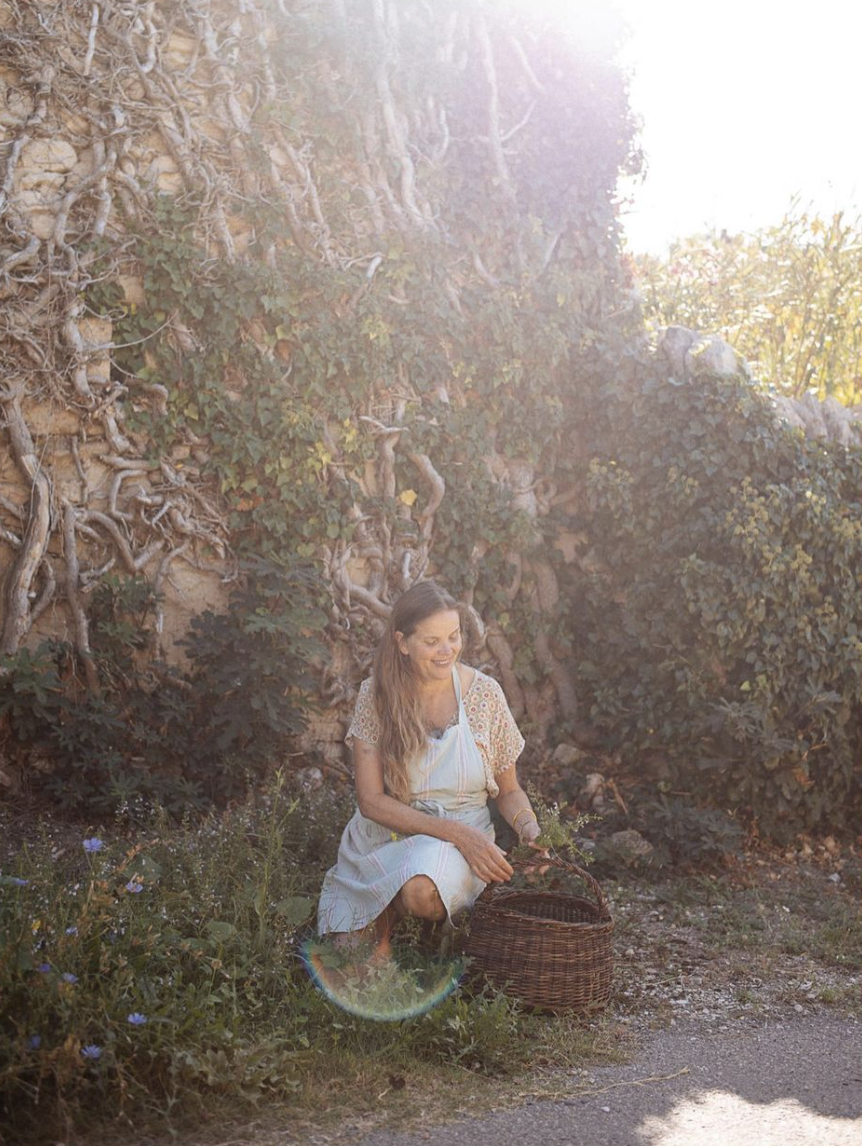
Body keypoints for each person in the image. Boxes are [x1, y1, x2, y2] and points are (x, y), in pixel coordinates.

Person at [317, 580, 545, 963]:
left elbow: (508, 791)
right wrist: (456, 833)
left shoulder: (484, 695)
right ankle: (384, 922)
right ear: (402, 642)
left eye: (454, 637)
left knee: (422, 890)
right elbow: (371, 802)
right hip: (387, 838)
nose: (447, 651)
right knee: (355, 965)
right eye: (432, 641)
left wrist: (531, 830)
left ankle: (407, 920)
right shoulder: (376, 696)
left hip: (463, 846)